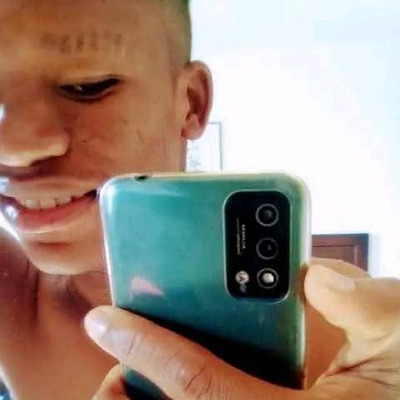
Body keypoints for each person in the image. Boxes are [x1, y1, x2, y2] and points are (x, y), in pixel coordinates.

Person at [0, 1, 398, 399]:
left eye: (85, 86)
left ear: (190, 102)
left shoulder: (355, 332)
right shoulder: (12, 296)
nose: (13, 150)